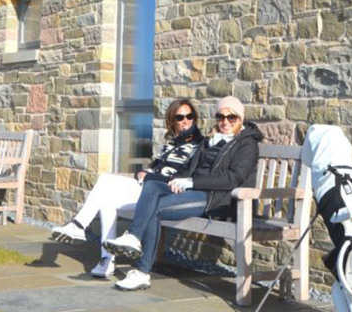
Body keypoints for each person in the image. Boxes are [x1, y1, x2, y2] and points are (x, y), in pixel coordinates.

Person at [103, 95, 262, 291]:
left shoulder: (246, 143)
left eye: (232, 118)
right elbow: (188, 170)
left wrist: (191, 182)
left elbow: (233, 178)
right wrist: (156, 177)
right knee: (152, 187)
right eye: (221, 117)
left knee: (155, 210)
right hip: (195, 190)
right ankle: (134, 239)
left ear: (240, 118)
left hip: (214, 199)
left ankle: (141, 271)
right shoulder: (210, 140)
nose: (225, 122)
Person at [49, 99, 203, 278]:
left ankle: (78, 225)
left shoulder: (198, 146)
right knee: (107, 201)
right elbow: (156, 168)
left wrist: (150, 176)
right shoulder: (170, 144)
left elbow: (182, 178)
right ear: (172, 121)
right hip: (147, 187)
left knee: (106, 179)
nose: (185, 120)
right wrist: (143, 172)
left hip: (161, 194)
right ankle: (106, 260)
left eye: (189, 116)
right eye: (180, 117)